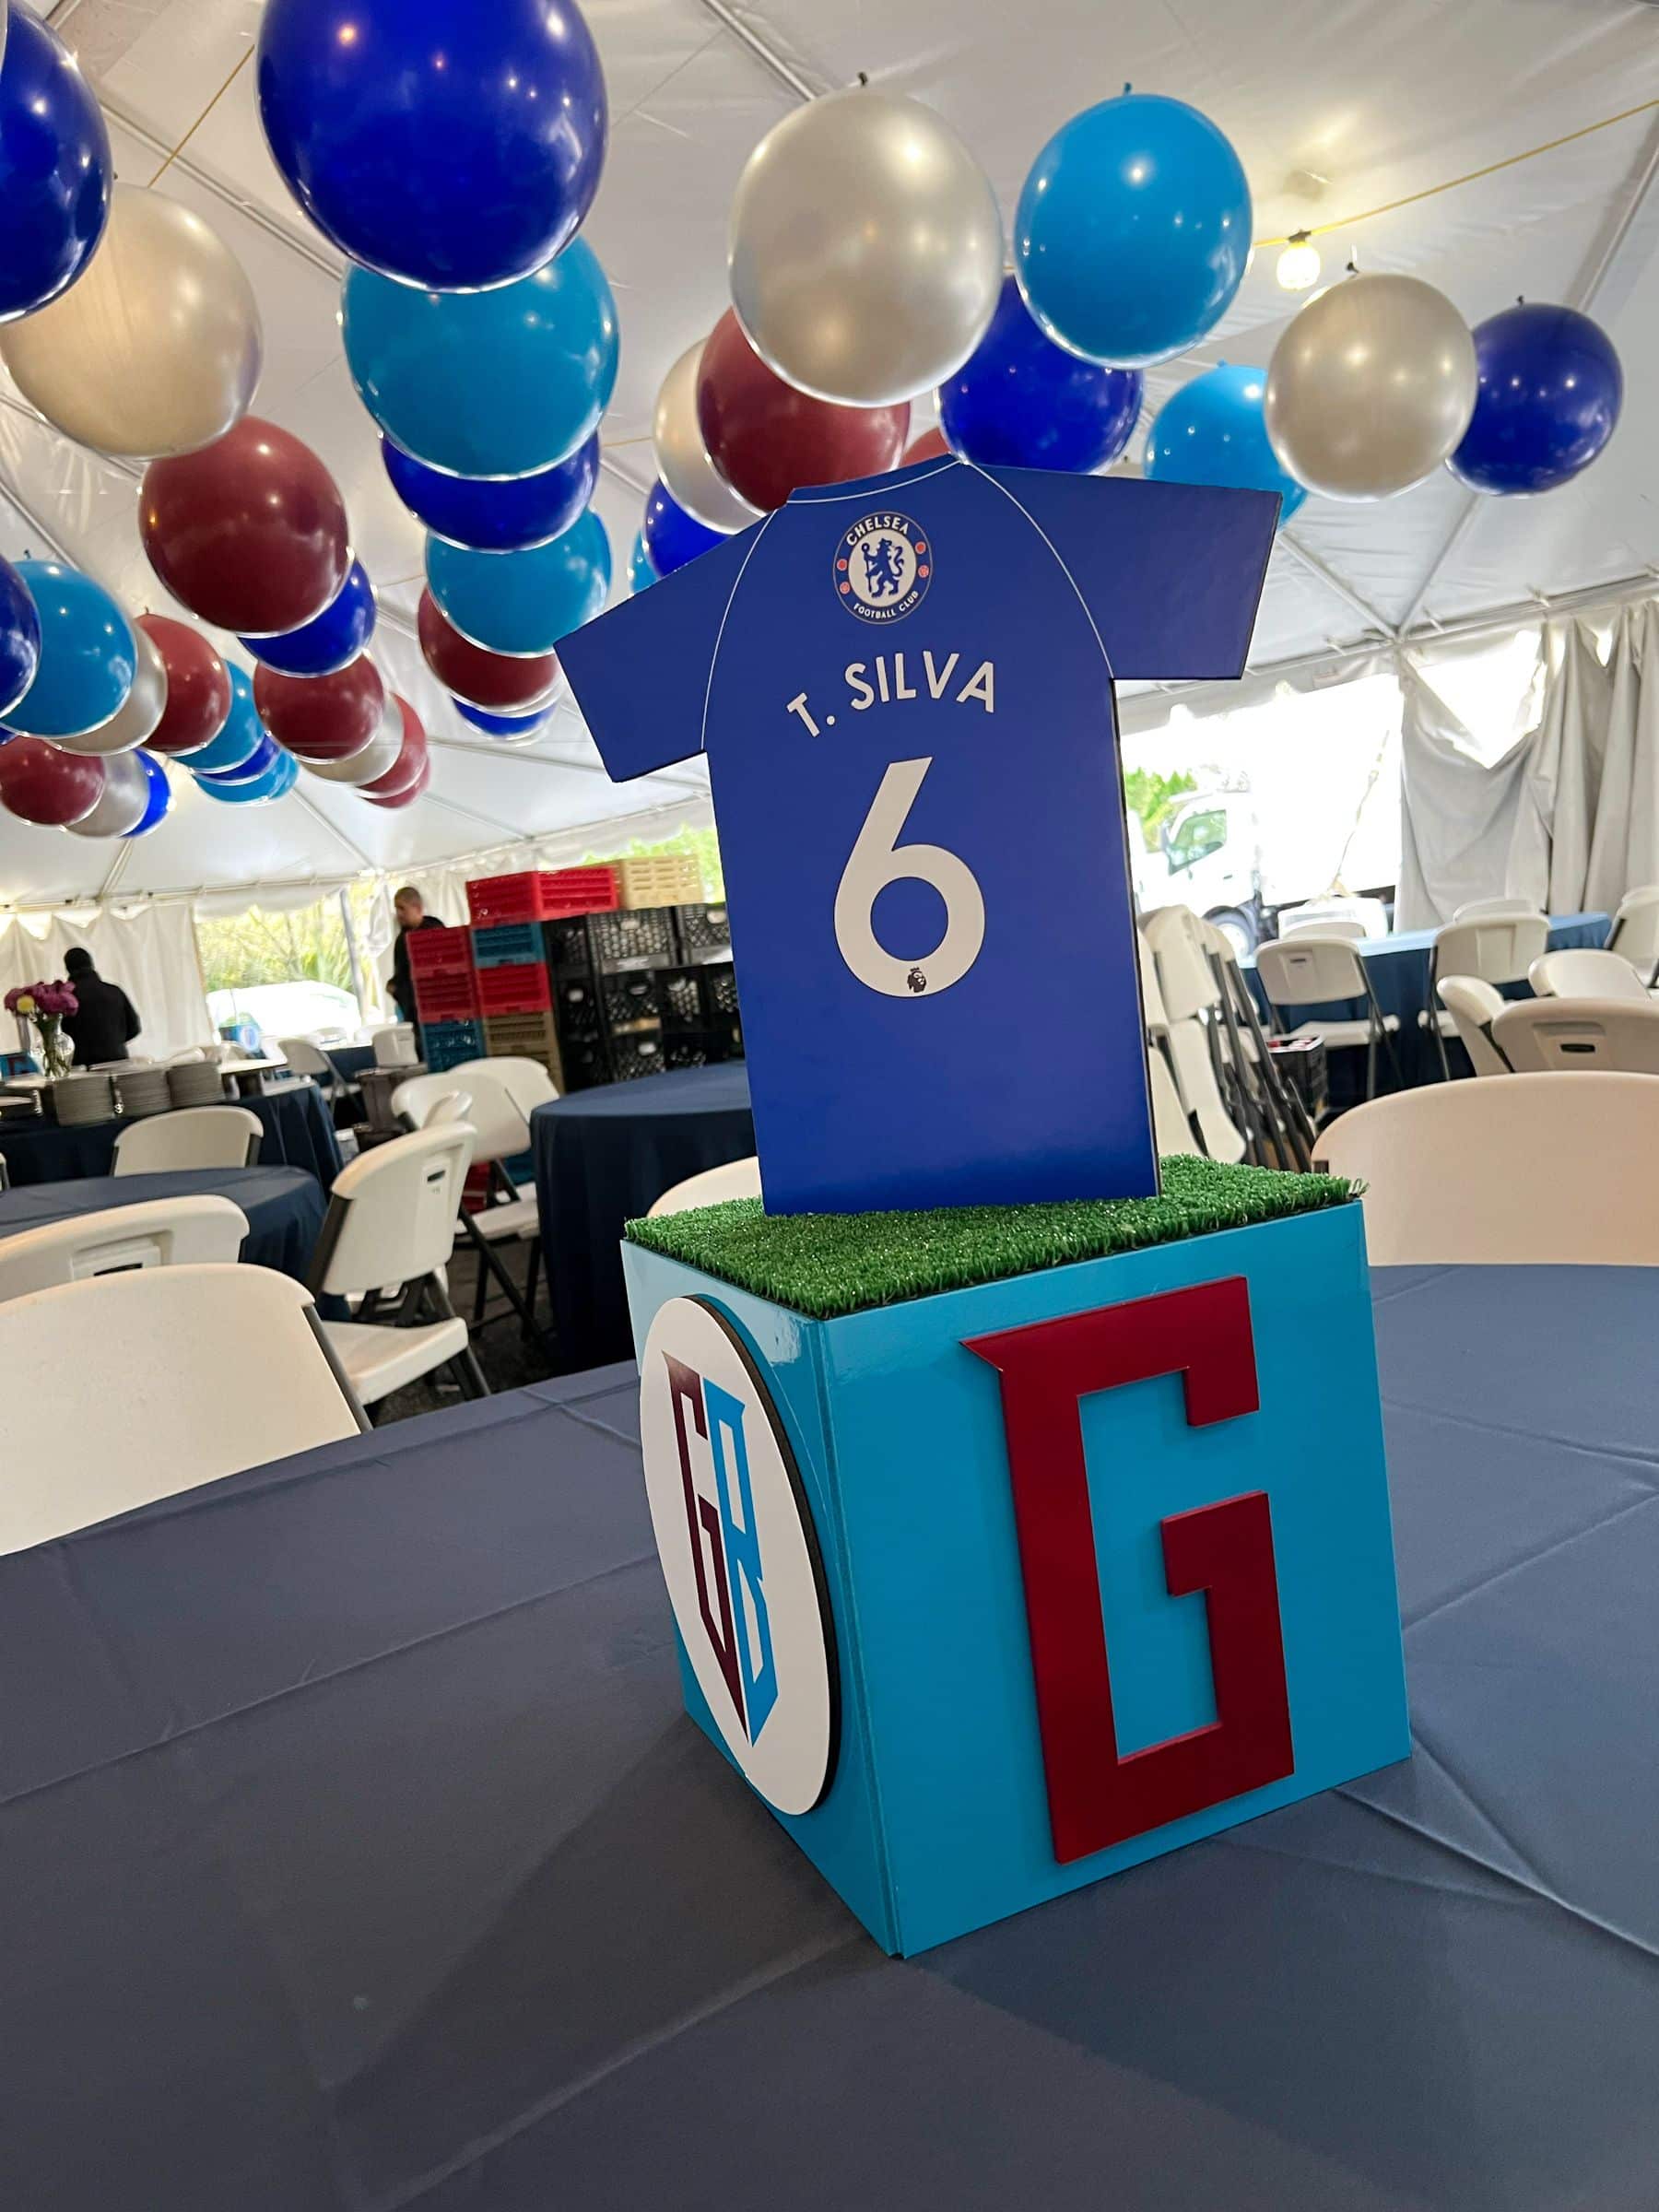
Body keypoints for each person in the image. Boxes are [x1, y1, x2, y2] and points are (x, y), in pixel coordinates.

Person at [61, 946, 141, 1066]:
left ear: (68, 968)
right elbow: (134, 1027)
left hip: (85, 1067)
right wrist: (113, 1042)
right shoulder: (115, 991)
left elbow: (63, 1035)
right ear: (91, 963)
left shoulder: (66, 998)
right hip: (119, 1061)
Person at [390, 886, 446, 1021]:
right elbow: (402, 973)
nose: (398, 914)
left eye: (402, 908)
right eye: (396, 909)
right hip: (416, 1012)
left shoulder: (435, 930)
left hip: (438, 1005)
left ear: (417, 908)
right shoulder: (401, 940)